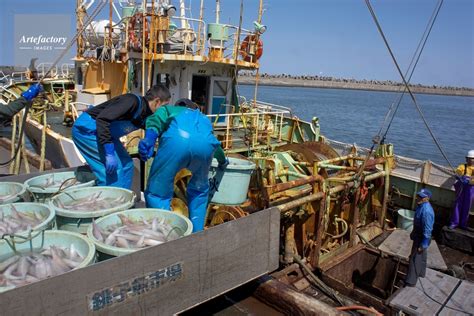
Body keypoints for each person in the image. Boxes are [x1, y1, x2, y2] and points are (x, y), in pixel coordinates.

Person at [138, 98, 228, 232]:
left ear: (179, 106)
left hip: (177, 142)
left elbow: (157, 119)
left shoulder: (170, 109)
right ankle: (196, 234)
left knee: (157, 193)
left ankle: (161, 235)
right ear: (195, 108)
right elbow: (215, 145)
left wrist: (150, 138)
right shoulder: (203, 119)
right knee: (199, 192)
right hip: (205, 148)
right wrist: (223, 161)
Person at [71, 84, 170, 189]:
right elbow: (102, 119)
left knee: (127, 164)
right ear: (157, 101)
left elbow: (154, 130)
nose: (165, 110)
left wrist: (148, 144)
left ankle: (123, 198)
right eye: (165, 106)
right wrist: (109, 153)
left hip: (107, 135)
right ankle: (109, 202)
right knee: (113, 170)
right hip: (87, 130)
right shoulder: (131, 101)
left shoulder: (148, 115)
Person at [405, 188, 435, 287]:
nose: (418, 198)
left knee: (415, 258)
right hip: (418, 234)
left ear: (427, 198)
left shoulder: (426, 211)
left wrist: (424, 243)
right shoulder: (420, 206)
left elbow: (427, 229)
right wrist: (413, 232)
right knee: (422, 256)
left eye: (421, 197)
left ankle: (411, 281)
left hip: (423, 237)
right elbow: (417, 221)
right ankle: (421, 273)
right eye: (418, 196)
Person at [449, 150, 474, 230]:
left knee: (467, 206)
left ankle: (463, 224)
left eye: (471, 158)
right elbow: (458, 172)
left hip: (470, 189)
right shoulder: (462, 166)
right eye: (468, 158)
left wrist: (470, 181)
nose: (469, 160)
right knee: (457, 205)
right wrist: (459, 177)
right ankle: (454, 223)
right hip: (461, 188)